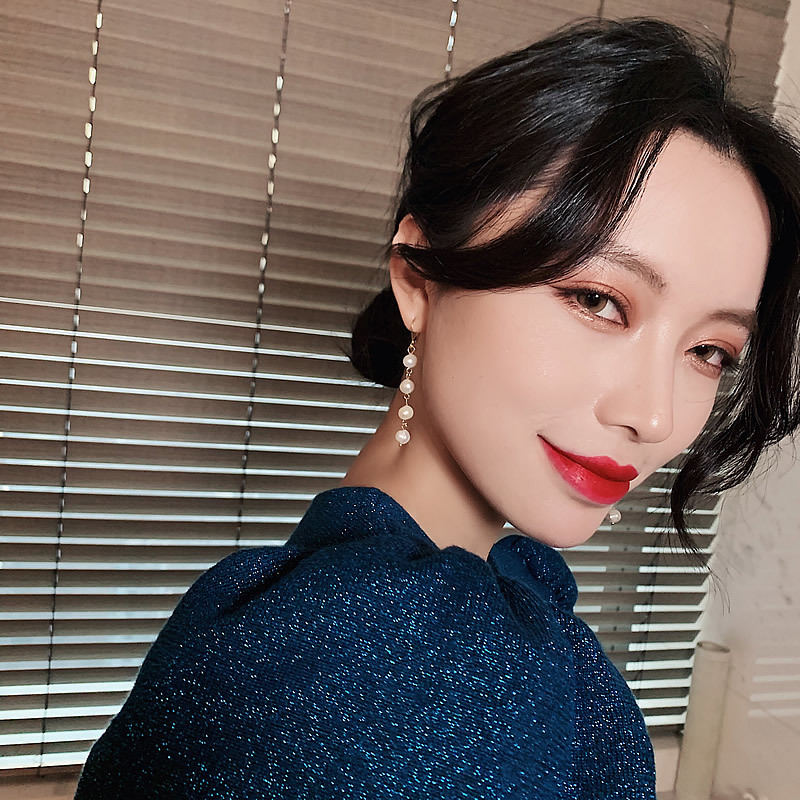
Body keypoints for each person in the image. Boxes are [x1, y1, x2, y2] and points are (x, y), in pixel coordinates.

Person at [74, 16, 800, 800]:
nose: (655, 418)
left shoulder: (273, 601)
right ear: (419, 277)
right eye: (598, 299)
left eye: (710, 351)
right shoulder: (416, 661)